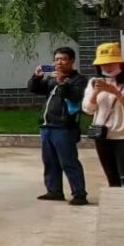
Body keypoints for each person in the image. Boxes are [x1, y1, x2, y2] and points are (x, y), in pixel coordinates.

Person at [29, 46, 90, 205]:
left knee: (68, 161)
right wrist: (37, 77)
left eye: (63, 59)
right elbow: (34, 89)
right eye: (56, 60)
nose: (59, 63)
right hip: (47, 125)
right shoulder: (51, 79)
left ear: (71, 61)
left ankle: (79, 193)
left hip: (64, 126)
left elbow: (75, 96)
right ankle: (54, 190)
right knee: (50, 161)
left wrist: (63, 82)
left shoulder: (79, 80)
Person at [82, 42, 124, 188]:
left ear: (119, 62)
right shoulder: (94, 82)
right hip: (102, 135)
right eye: (103, 63)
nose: (107, 66)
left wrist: (115, 92)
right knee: (112, 179)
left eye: (110, 62)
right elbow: (88, 109)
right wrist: (96, 93)